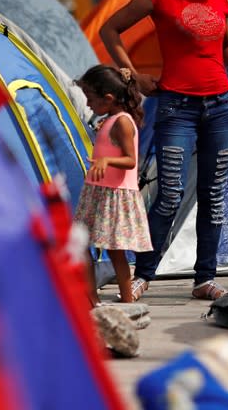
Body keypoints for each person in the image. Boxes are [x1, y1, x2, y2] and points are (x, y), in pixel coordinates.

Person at [100, 0, 228, 301]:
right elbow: (109, 30)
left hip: (220, 107)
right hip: (175, 108)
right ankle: (143, 273)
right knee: (169, 194)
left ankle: (205, 279)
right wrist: (132, 75)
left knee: (213, 196)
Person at [73, 64, 153, 305]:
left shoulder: (123, 123)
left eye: (90, 99)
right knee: (82, 243)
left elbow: (130, 160)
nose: (88, 105)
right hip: (97, 191)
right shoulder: (111, 119)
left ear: (108, 98)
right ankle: (91, 299)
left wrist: (106, 160)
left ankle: (127, 302)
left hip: (115, 195)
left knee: (116, 251)